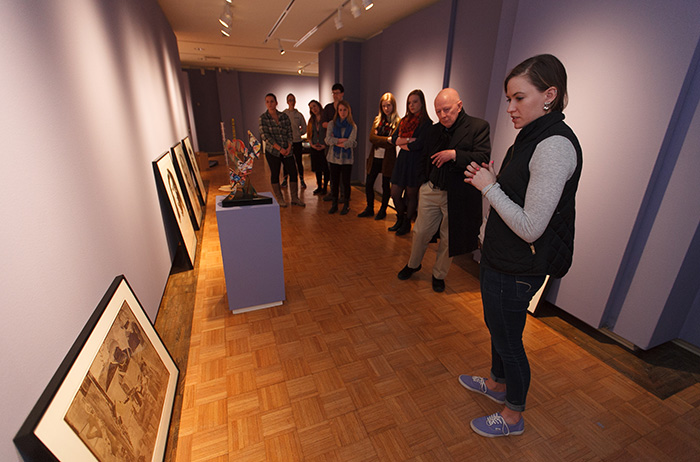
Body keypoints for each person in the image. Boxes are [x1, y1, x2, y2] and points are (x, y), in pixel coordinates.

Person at [462, 54, 583, 438]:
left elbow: (531, 227)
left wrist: (489, 187)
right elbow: (519, 197)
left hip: (519, 266)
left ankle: (513, 416)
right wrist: (496, 182)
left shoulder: (554, 146)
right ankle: (497, 385)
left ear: (550, 95)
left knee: (510, 342)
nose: (510, 108)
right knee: (498, 330)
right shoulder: (531, 137)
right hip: (502, 259)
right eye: (508, 99)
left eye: (519, 98)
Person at [397, 88, 491, 292]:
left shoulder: (478, 127)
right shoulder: (434, 129)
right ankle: (414, 264)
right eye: (438, 111)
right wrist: (424, 182)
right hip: (431, 189)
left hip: (457, 195)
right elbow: (423, 157)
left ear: (459, 105)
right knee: (420, 231)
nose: (442, 115)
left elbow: (483, 157)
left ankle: (439, 274)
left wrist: (455, 154)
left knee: (448, 238)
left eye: (446, 110)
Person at [389, 90, 432, 235]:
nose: (411, 105)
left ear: (422, 103)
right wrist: (407, 141)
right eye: (409, 102)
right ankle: (400, 218)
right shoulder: (403, 121)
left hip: (416, 162)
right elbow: (394, 139)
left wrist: (404, 144)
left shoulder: (427, 124)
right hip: (402, 161)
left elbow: (419, 145)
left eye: (415, 102)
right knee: (395, 193)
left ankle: (407, 222)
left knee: (411, 195)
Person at [358, 92, 400, 220]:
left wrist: (383, 140)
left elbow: (393, 141)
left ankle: (383, 210)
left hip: (388, 159)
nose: (386, 108)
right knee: (369, 183)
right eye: (384, 106)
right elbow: (372, 138)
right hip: (375, 157)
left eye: (389, 105)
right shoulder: (377, 120)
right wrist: (386, 140)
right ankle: (369, 208)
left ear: (393, 105)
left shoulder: (398, 121)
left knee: (385, 186)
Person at [258, 93, 305, 207]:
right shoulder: (263, 118)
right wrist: (279, 149)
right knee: (275, 173)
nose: (270, 104)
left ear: (276, 103)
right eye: (267, 101)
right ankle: (280, 198)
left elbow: (290, 132)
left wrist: (289, 146)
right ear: (265, 103)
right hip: (273, 151)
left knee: (293, 172)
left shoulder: (284, 116)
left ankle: (294, 198)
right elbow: (265, 136)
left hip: (287, 150)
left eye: (272, 101)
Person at [325, 100, 357, 215]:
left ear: (348, 111)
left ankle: (346, 204)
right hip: (333, 158)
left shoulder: (352, 126)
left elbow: (351, 142)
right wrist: (341, 140)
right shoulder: (331, 124)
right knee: (334, 182)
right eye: (340, 110)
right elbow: (327, 140)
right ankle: (334, 204)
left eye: (344, 110)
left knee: (346, 183)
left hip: (347, 160)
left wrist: (337, 141)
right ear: (337, 111)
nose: (342, 112)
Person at [322, 83, 346, 202]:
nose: (335, 95)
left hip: (342, 144)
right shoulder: (328, 108)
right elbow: (323, 123)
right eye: (333, 93)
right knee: (332, 170)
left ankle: (343, 195)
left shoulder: (345, 107)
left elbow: (348, 124)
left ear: (342, 94)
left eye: (337, 93)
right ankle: (333, 193)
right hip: (331, 144)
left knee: (342, 171)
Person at [282, 93, 307, 188]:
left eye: (292, 100)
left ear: (295, 101)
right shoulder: (284, 114)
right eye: (289, 100)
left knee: (299, 161)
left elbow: (304, 128)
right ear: (287, 102)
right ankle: (285, 179)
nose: (291, 102)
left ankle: (301, 179)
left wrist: (298, 134)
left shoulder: (299, 115)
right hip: (287, 142)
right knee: (286, 161)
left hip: (297, 142)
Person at [307, 100, 330, 195]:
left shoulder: (325, 119)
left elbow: (329, 133)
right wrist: (312, 145)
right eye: (311, 108)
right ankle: (319, 187)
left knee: (325, 168)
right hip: (314, 147)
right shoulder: (311, 120)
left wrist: (325, 145)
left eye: (315, 106)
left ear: (319, 106)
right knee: (317, 168)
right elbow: (309, 134)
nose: (314, 109)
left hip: (324, 147)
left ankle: (325, 187)